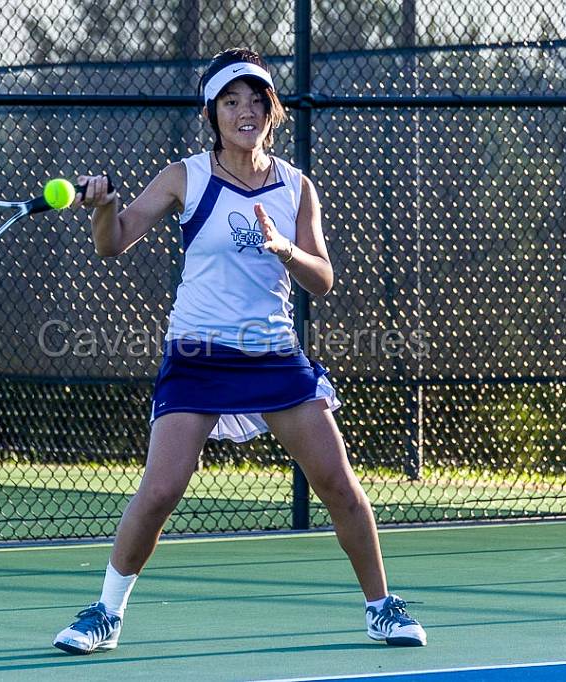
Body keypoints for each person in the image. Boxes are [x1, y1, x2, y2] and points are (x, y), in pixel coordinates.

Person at [53, 47, 427, 655]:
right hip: (197, 355)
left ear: (272, 112)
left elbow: (322, 279)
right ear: (213, 113)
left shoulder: (297, 187)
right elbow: (113, 242)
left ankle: (382, 608)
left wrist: (284, 248)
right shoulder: (185, 177)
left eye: (256, 100)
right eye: (232, 101)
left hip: (273, 354)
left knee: (336, 481)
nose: (245, 110)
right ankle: (106, 612)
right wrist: (101, 208)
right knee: (162, 489)